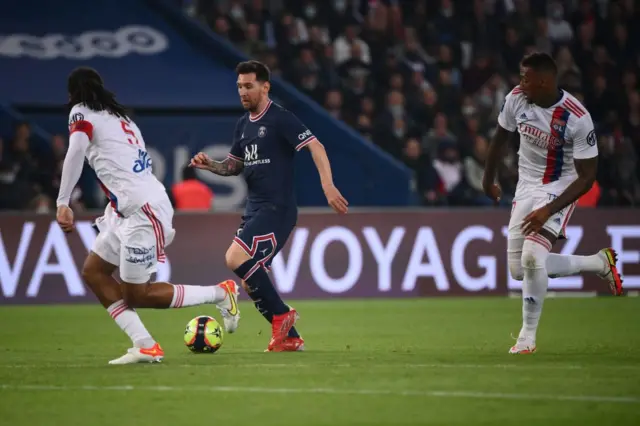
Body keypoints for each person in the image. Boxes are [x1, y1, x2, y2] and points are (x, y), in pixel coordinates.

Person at [56, 67, 240, 365]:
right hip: (124, 209)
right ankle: (145, 344)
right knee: (94, 272)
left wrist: (63, 201)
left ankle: (221, 293)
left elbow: (76, 150)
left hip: (142, 210)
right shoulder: (120, 117)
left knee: (137, 295)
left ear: (71, 94)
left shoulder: (81, 112)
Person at [190, 60, 348, 352]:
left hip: (277, 208)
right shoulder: (242, 125)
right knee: (252, 284)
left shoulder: (280, 118)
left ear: (265, 86)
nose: (242, 92)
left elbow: (317, 146)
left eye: (248, 86)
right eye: (239, 86)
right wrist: (209, 164)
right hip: (255, 208)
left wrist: (328, 185)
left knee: (234, 257)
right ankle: (290, 337)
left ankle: (282, 315)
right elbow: (232, 168)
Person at [482, 52, 624, 355]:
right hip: (526, 186)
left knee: (533, 258)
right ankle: (599, 263)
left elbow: (587, 177)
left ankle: (526, 338)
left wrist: (549, 208)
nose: (520, 83)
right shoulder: (517, 98)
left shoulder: (577, 117)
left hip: (558, 186)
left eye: (526, 78)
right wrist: (488, 178)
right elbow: (499, 138)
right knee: (519, 271)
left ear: (544, 81)